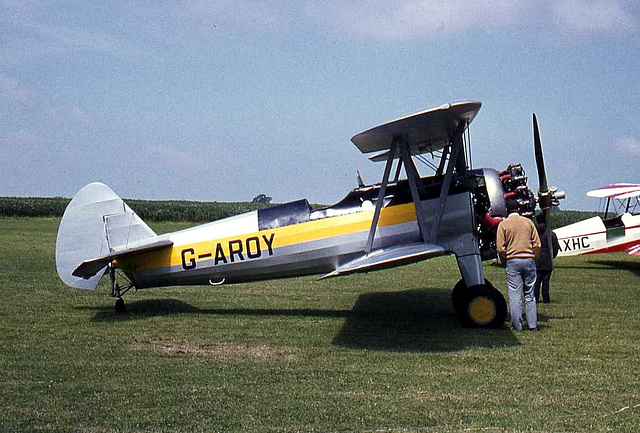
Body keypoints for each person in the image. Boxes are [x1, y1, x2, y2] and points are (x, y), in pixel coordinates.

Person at [496, 207, 541, 331]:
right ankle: (533, 325)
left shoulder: (503, 225)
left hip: (512, 260)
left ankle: (517, 325)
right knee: (530, 294)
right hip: (529, 259)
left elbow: (500, 248)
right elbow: (537, 245)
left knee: (515, 294)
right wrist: (534, 261)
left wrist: (505, 261)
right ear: (519, 210)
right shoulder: (528, 222)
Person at [534, 220, 560, 303]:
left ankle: (535, 298)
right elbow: (555, 247)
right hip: (547, 260)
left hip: (537, 261)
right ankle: (546, 298)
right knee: (546, 282)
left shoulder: (535, 234)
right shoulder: (551, 234)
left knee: (536, 282)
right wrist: (551, 257)